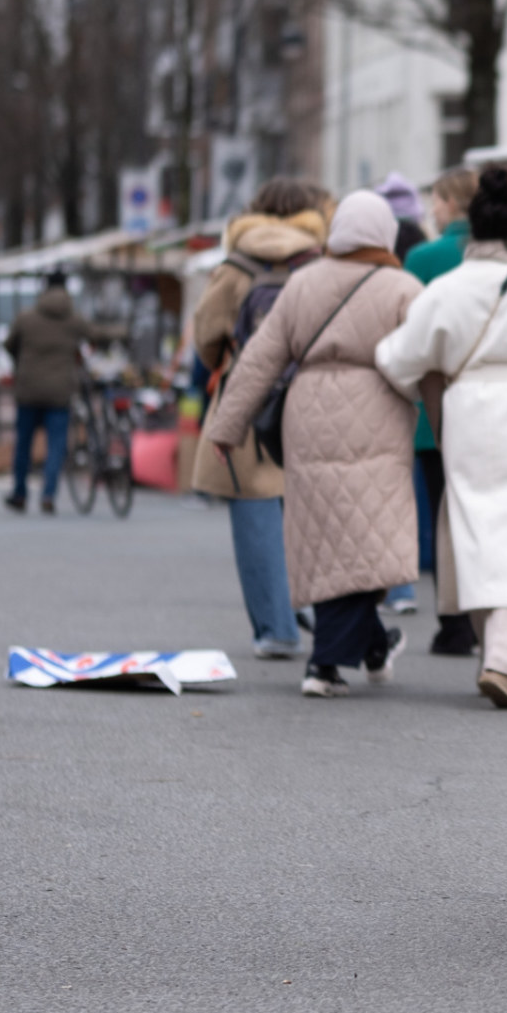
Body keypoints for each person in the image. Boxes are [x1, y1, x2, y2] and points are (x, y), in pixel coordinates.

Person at [203, 191, 424, 698]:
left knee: (324, 536)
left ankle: (372, 645)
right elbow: (425, 362)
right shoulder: (403, 288)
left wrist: (226, 427)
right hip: (378, 410)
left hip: (308, 412)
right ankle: (324, 664)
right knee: (371, 535)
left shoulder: (302, 283)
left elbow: (260, 358)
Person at [376, 166, 507, 710]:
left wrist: (430, 388)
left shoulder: (446, 290)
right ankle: (503, 661)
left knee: (476, 532)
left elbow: (396, 359)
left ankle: (494, 654)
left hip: (466, 414)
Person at [191, 178, 331, 658]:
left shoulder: (235, 266)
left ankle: (275, 628)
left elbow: (206, 333)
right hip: (311, 391)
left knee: (252, 503)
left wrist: (227, 361)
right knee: (312, 506)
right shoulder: (320, 263)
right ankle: (320, 611)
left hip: (248, 396)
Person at [402, 166, 483, 654]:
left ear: (451, 202)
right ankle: (487, 620)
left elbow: (408, 334)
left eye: (435, 199)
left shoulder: (423, 258)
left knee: (442, 515)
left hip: (435, 409)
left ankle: (453, 623)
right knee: (484, 517)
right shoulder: (506, 256)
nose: (431, 210)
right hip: (494, 408)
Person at [373, 171, 431, 617]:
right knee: (411, 491)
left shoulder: (379, 268)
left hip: (380, 388)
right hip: (419, 391)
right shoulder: (424, 251)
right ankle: (405, 584)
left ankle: (391, 587)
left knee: (384, 493)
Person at [3, 272, 99, 514]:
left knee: (23, 444)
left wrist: (21, 362)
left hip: (28, 389)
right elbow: (95, 335)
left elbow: (9, 345)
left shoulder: (26, 317)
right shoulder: (73, 320)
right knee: (56, 446)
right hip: (59, 392)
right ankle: (48, 494)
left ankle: (20, 493)